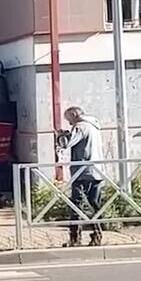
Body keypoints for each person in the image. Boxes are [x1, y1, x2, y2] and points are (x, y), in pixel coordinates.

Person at [58, 106, 104, 247]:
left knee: (76, 205)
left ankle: (75, 238)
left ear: (74, 114)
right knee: (94, 204)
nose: (69, 123)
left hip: (82, 172)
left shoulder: (81, 126)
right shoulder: (94, 126)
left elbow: (66, 143)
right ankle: (97, 235)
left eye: (69, 119)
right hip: (96, 171)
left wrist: (61, 135)